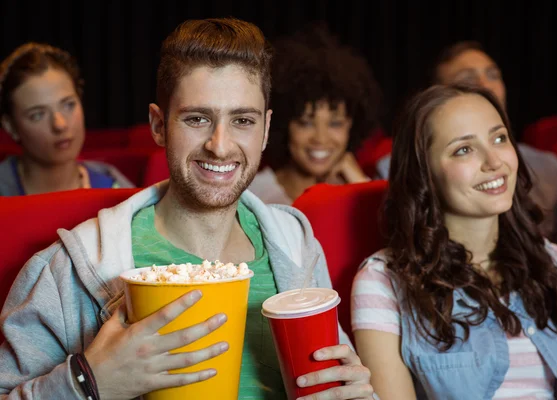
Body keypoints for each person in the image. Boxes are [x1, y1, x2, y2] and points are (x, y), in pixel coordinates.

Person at [0, 19, 374, 400]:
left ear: (265, 130)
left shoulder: (296, 246)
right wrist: (87, 383)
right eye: (197, 119)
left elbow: (340, 381)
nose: (220, 145)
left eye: (242, 120)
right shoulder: (71, 270)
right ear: (159, 125)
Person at [351, 84, 557, 399]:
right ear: (424, 174)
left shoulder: (553, 262)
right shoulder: (381, 282)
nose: (494, 161)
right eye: (463, 149)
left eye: (499, 138)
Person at [377, 41, 557, 262]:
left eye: (500, 138)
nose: (485, 86)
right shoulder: (384, 277)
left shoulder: (553, 257)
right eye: (464, 149)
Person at [248, 24, 382, 204]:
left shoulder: (365, 191)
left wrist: (359, 186)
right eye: (306, 123)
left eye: (335, 123)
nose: (320, 138)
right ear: (284, 124)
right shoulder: (252, 196)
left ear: (352, 125)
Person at [0, 43, 133, 195]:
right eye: (37, 115)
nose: (60, 124)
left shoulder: (114, 188)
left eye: (69, 105)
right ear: (10, 126)